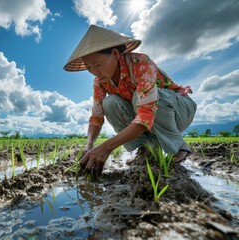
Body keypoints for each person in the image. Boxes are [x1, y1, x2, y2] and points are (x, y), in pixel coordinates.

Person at [63, 25, 196, 174]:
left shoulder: (140, 63)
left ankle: (179, 146)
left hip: (178, 109)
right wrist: (90, 145)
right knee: (110, 103)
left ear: (115, 54)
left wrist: (106, 147)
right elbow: (96, 118)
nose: (94, 72)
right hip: (144, 112)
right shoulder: (100, 81)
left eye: (97, 65)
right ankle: (146, 150)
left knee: (137, 98)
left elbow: (146, 114)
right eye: (89, 68)